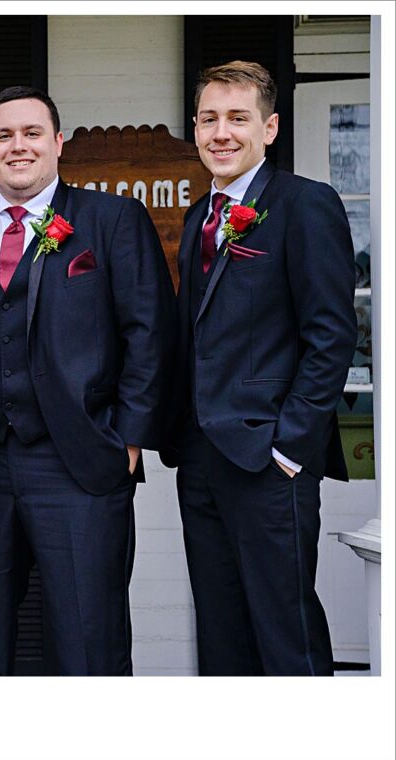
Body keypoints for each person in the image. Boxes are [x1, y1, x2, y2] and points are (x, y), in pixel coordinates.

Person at [0, 85, 175, 675]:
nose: (19, 146)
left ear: (58, 143)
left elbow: (149, 331)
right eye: (4, 136)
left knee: (89, 640)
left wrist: (129, 442)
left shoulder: (112, 220)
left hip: (83, 461)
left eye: (32, 133)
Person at [160, 61, 357, 675]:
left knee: (284, 631)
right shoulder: (200, 218)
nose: (221, 132)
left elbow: (331, 336)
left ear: (269, 129)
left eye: (237, 118)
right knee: (221, 636)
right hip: (202, 461)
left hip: (270, 462)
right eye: (209, 118)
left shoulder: (305, 205)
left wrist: (290, 447)